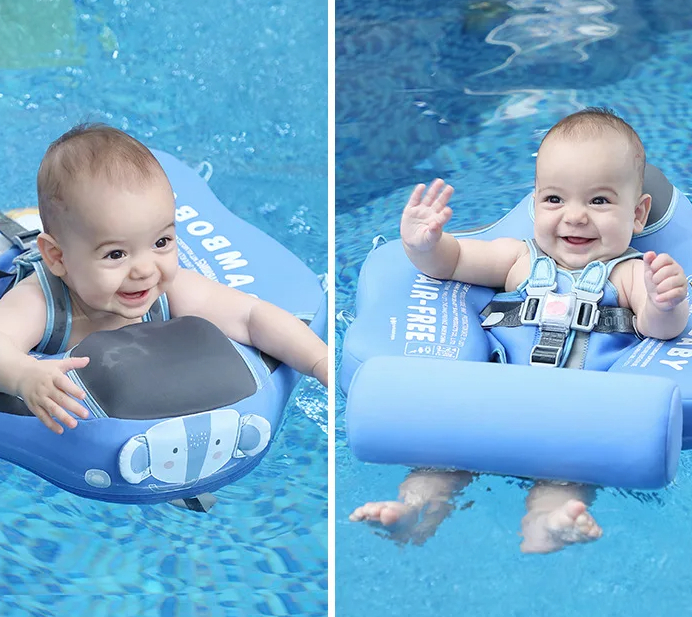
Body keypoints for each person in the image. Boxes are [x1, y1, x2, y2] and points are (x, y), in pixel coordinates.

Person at [350, 107, 689, 553]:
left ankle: (548, 525)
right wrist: (425, 243)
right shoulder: (517, 258)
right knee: (437, 466)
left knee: (565, 479)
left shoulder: (626, 273)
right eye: (554, 200)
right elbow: (451, 263)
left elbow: (657, 327)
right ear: (534, 203)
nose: (575, 216)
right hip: (492, 401)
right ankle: (412, 511)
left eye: (599, 201)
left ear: (639, 214)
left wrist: (666, 300)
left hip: (573, 414)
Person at [0, 124, 328, 437]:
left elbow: (251, 317)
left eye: (161, 243)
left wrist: (319, 361)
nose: (145, 270)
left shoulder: (168, 289)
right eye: (115, 254)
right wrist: (25, 377)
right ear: (57, 258)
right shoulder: (40, 303)